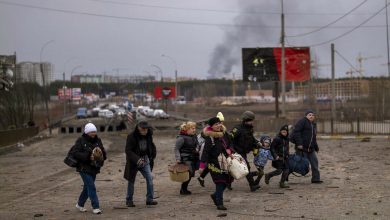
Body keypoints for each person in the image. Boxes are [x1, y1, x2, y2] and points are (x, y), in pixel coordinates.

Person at [199, 117, 234, 210]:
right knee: (220, 182)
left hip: (223, 162)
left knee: (227, 180)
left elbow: (226, 146)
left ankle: (215, 195)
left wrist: (229, 153)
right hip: (213, 164)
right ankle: (219, 203)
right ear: (211, 126)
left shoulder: (222, 135)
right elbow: (205, 152)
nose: (218, 125)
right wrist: (202, 166)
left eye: (219, 123)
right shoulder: (210, 138)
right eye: (216, 124)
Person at [73, 123, 107, 214]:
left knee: (87, 187)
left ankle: (80, 204)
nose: (93, 133)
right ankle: (96, 207)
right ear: (87, 132)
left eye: (95, 132)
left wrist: (101, 155)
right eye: (91, 132)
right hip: (83, 168)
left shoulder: (98, 140)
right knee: (91, 186)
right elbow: (75, 153)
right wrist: (88, 156)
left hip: (94, 167)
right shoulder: (80, 140)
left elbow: (103, 151)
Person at [124, 120, 158, 207]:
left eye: (146, 129)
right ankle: (129, 200)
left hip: (145, 160)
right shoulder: (131, 136)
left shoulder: (149, 135)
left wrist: (152, 155)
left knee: (150, 179)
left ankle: (149, 199)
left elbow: (151, 145)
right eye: (143, 129)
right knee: (131, 181)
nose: (145, 131)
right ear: (138, 127)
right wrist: (137, 159)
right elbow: (128, 150)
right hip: (133, 161)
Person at [231, 111, 260, 192]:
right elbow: (230, 139)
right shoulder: (237, 129)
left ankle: (228, 182)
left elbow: (251, 139)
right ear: (245, 120)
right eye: (251, 120)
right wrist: (232, 150)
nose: (252, 122)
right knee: (246, 167)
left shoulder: (249, 128)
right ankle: (252, 185)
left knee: (238, 169)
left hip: (244, 151)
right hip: (237, 152)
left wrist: (257, 143)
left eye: (252, 120)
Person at [291, 110, 323, 184]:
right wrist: (299, 143)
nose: (311, 116)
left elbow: (313, 138)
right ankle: (285, 176)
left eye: (312, 115)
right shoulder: (302, 122)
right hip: (302, 148)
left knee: (315, 163)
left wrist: (316, 147)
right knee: (299, 165)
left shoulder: (313, 124)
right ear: (306, 116)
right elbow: (296, 132)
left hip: (311, 149)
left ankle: (316, 179)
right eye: (309, 115)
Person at [197, 112, 227, 188]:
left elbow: (226, 142)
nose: (220, 124)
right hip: (211, 156)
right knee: (211, 168)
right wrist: (201, 165)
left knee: (211, 168)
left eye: (221, 122)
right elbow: (205, 150)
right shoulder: (209, 134)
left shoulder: (222, 131)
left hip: (219, 157)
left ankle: (201, 177)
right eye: (217, 123)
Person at [174, 121, 199, 195]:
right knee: (189, 173)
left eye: (194, 128)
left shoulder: (194, 136)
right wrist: (178, 159)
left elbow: (197, 144)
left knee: (191, 173)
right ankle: (183, 189)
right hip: (185, 158)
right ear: (187, 129)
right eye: (192, 128)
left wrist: (197, 149)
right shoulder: (181, 138)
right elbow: (176, 149)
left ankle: (184, 189)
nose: (194, 130)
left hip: (193, 157)